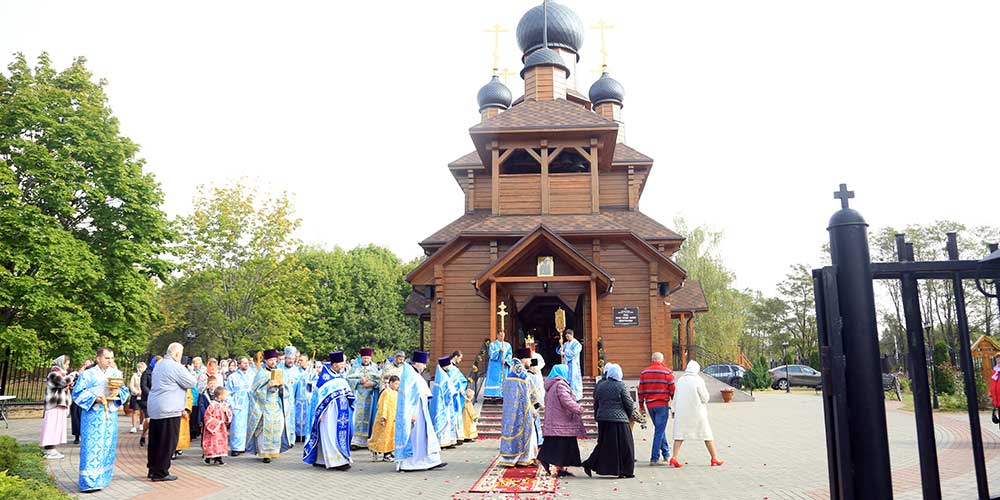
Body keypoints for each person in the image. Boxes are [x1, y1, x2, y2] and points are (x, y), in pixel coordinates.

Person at [72, 348, 129, 492]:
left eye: (112, 358)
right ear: (98, 358)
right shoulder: (87, 374)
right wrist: (95, 399)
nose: (110, 361)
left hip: (110, 415)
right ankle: (88, 482)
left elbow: (125, 391)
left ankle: (103, 478)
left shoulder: (116, 374)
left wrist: (118, 392)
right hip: (93, 415)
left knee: (107, 446)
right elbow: (77, 392)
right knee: (91, 447)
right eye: (107, 358)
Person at [147, 343, 196, 482]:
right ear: (176, 354)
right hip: (169, 408)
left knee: (155, 441)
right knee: (167, 442)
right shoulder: (175, 366)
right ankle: (161, 472)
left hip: (156, 407)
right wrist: (189, 370)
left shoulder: (159, 364)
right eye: (181, 354)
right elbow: (191, 382)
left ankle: (152, 469)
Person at [582, 363, 639, 479]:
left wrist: (597, 415)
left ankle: (589, 463)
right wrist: (629, 416)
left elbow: (596, 401)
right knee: (625, 446)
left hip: (603, 418)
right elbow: (628, 403)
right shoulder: (621, 386)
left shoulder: (601, 385)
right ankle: (625, 470)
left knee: (605, 445)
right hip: (619, 419)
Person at [395, 351, 446, 472]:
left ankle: (430, 461)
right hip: (414, 412)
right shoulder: (410, 375)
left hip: (421, 410)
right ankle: (409, 464)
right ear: (417, 363)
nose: (424, 367)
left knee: (424, 436)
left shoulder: (413, 374)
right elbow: (408, 398)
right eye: (423, 365)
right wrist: (411, 414)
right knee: (415, 437)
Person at [303, 352, 355, 470]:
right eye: (341, 363)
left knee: (336, 435)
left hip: (341, 414)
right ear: (335, 364)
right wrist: (318, 414)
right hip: (328, 413)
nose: (343, 365)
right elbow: (318, 398)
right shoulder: (324, 378)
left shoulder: (340, 377)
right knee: (330, 436)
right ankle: (337, 462)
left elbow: (348, 394)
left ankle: (321, 460)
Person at [670, 360, 724, 468]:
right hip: (697, 412)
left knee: (679, 435)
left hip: (682, 413)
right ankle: (714, 458)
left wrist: (673, 410)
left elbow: (675, 397)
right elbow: (705, 398)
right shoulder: (698, 380)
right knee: (706, 434)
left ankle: (674, 458)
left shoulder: (680, 380)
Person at [246, 349, 294, 463]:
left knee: (278, 427)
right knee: (264, 430)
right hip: (265, 406)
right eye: (271, 360)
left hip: (276, 406)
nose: (273, 362)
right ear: (266, 361)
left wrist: (282, 386)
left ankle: (274, 451)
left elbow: (287, 392)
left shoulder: (280, 372)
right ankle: (265, 454)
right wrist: (267, 386)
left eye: (274, 360)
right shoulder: (261, 373)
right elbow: (253, 392)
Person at [538, 364, 584, 477]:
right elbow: (566, 400)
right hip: (563, 421)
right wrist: (578, 408)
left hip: (556, 420)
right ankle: (548, 461)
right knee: (562, 446)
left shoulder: (552, 384)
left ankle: (560, 469)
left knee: (558, 445)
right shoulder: (560, 385)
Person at [498, 353, 540, 468]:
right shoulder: (524, 377)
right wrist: (535, 407)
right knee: (529, 434)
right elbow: (532, 395)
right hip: (523, 410)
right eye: (529, 359)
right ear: (523, 359)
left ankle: (510, 459)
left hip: (509, 411)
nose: (531, 362)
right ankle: (526, 458)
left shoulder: (509, 376)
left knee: (512, 431)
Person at [638, 352, 676, 466]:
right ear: (662, 360)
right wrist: (674, 403)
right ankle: (654, 458)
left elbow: (640, 391)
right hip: (662, 405)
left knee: (660, 429)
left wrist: (641, 406)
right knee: (659, 431)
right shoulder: (667, 373)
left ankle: (666, 454)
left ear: (652, 360)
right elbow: (673, 390)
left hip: (650, 406)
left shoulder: (644, 373)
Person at [41, 355, 77, 459]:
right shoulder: (54, 374)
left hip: (60, 404)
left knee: (57, 427)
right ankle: (48, 449)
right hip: (54, 405)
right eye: (66, 364)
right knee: (51, 427)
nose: (67, 366)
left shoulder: (61, 374)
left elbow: (66, 384)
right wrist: (73, 374)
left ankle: (52, 448)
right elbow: (64, 382)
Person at [346, 348, 381, 448]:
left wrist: (372, 383)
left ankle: (366, 441)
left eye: (368, 358)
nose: (366, 360)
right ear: (361, 358)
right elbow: (348, 379)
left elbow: (379, 380)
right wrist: (359, 381)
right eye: (364, 358)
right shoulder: (355, 367)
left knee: (368, 417)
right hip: (358, 396)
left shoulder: (374, 367)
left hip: (369, 396)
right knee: (356, 417)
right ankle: (355, 441)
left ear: (370, 358)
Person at [225, 356, 254, 455]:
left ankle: (247, 446)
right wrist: (231, 405)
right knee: (237, 426)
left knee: (248, 426)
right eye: (244, 363)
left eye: (247, 363)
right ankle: (236, 448)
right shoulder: (233, 377)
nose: (246, 365)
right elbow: (228, 392)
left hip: (250, 404)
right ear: (239, 364)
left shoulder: (252, 375)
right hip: (238, 405)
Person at [429, 356, 459, 448]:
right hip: (443, 404)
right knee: (445, 423)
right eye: (449, 364)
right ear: (445, 366)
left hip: (447, 404)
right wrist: (453, 393)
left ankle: (448, 441)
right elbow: (447, 389)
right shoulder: (442, 376)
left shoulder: (443, 374)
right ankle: (442, 443)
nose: (450, 366)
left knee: (449, 422)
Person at [369, 375, 400, 461]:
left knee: (390, 436)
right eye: (396, 384)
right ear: (391, 383)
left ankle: (389, 452)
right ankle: (382, 453)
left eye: (398, 384)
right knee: (382, 436)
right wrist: (383, 417)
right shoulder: (386, 392)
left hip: (392, 418)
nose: (397, 386)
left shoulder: (396, 393)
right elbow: (383, 405)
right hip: (385, 418)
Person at [202, 386, 232, 465]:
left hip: (221, 428)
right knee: (212, 443)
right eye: (225, 395)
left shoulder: (225, 405)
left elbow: (229, 414)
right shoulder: (212, 405)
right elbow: (207, 416)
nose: (226, 397)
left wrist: (226, 412)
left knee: (220, 444)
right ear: (220, 396)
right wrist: (215, 422)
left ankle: (218, 458)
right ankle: (208, 458)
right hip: (214, 428)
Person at [70, 358, 94, 445]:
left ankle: (86, 436)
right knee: (76, 417)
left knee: (85, 418)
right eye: (85, 364)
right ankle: (76, 436)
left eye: (88, 365)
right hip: (77, 399)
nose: (86, 366)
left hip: (88, 399)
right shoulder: (77, 374)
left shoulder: (93, 375)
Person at [294, 353, 316, 443]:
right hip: (298, 398)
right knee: (297, 417)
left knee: (307, 417)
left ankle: (306, 435)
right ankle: (298, 435)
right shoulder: (296, 371)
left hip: (308, 398)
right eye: (299, 360)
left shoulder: (312, 372)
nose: (300, 362)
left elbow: (317, 382)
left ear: (307, 361)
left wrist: (312, 383)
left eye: (302, 360)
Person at [139, 356, 161, 448]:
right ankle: (143, 434)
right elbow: (143, 386)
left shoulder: (161, 373)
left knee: (156, 420)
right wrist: (151, 394)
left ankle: (154, 439)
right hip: (147, 399)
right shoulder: (146, 373)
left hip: (158, 400)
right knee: (148, 420)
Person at [484, 331, 512, 401]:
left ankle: (502, 395)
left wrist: (506, 360)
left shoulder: (507, 345)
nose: (502, 337)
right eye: (501, 335)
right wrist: (498, 351)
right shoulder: (493, 344)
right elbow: (491, 354)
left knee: (504, 379)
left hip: (503, 365)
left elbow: (509, 354)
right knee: (494, 380)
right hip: (495, 366)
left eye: (503, 336)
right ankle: (492, 395)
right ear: (497, 335)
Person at [448, 351, 468, 443]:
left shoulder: (453, 367)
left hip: (456, 394)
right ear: (456, 356)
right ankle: (454, 438)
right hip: (453, 395)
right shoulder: (451, 367)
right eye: (460, 358)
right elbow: (454, 381)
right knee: (453, 416)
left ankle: (456, 437)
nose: (460, 360)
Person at [556, 331, 583, 400]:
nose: (567, 338)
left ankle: (576, 397)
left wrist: (564, 353)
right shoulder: (565, 344)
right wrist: (560, 344)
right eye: (566, 337)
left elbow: (574, 353)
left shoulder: (577, 344)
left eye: (568, 336)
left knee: (574, 381)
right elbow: (559, 351)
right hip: (566, 364)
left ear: (572, 335)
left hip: (574, 365)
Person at [527, 358, 545, 447]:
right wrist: (538, 404)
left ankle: (538, 440)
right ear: (532, 367)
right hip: (533, 404)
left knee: (536, 422)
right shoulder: (530, 377)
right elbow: (532, 393)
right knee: (534, 423)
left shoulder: (534, 375)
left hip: (536, 402)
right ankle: (538, 441)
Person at [174, 381, 194, 458]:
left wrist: (186, 409)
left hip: (183, 413)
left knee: (181, 431)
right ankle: (172, 449)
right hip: (173, 411)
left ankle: (179, 447)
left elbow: (189, 398)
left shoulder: (186, 386)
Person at [189, 356, 205, 439]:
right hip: (193, 394)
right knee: (193, 414)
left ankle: (198, 430)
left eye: (198, 363)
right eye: (195, 363)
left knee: (199, 413)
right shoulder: (191, 372)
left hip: (201, 394)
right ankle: (192, 431)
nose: (196, 365)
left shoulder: (203, 372)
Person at [129, 362, 147, 434]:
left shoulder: (146, 375)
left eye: (142, 367)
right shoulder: (135, 376)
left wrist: (144, 392)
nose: (141, 368)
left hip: (143, 395)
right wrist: (136, 392)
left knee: (142, 411)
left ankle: (141, 424)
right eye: (140, 367)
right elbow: (131, 385)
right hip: (135, 395)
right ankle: (133, 426)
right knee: (135, 411)